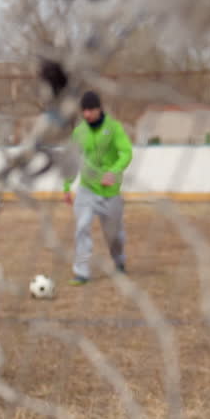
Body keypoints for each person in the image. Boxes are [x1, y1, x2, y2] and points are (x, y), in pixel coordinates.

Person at [62, 91, 133, 285]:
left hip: (110, 193)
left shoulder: (114, 128)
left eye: (90, 110)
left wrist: (114, 171)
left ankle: (119, 263)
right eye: (83, 111)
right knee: (82, 227)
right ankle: (81, 272)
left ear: (99, 109)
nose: (86, 115)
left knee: (114, 236)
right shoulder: (79, 132)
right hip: (87, 190)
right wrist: (67, 186)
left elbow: (126, 152)